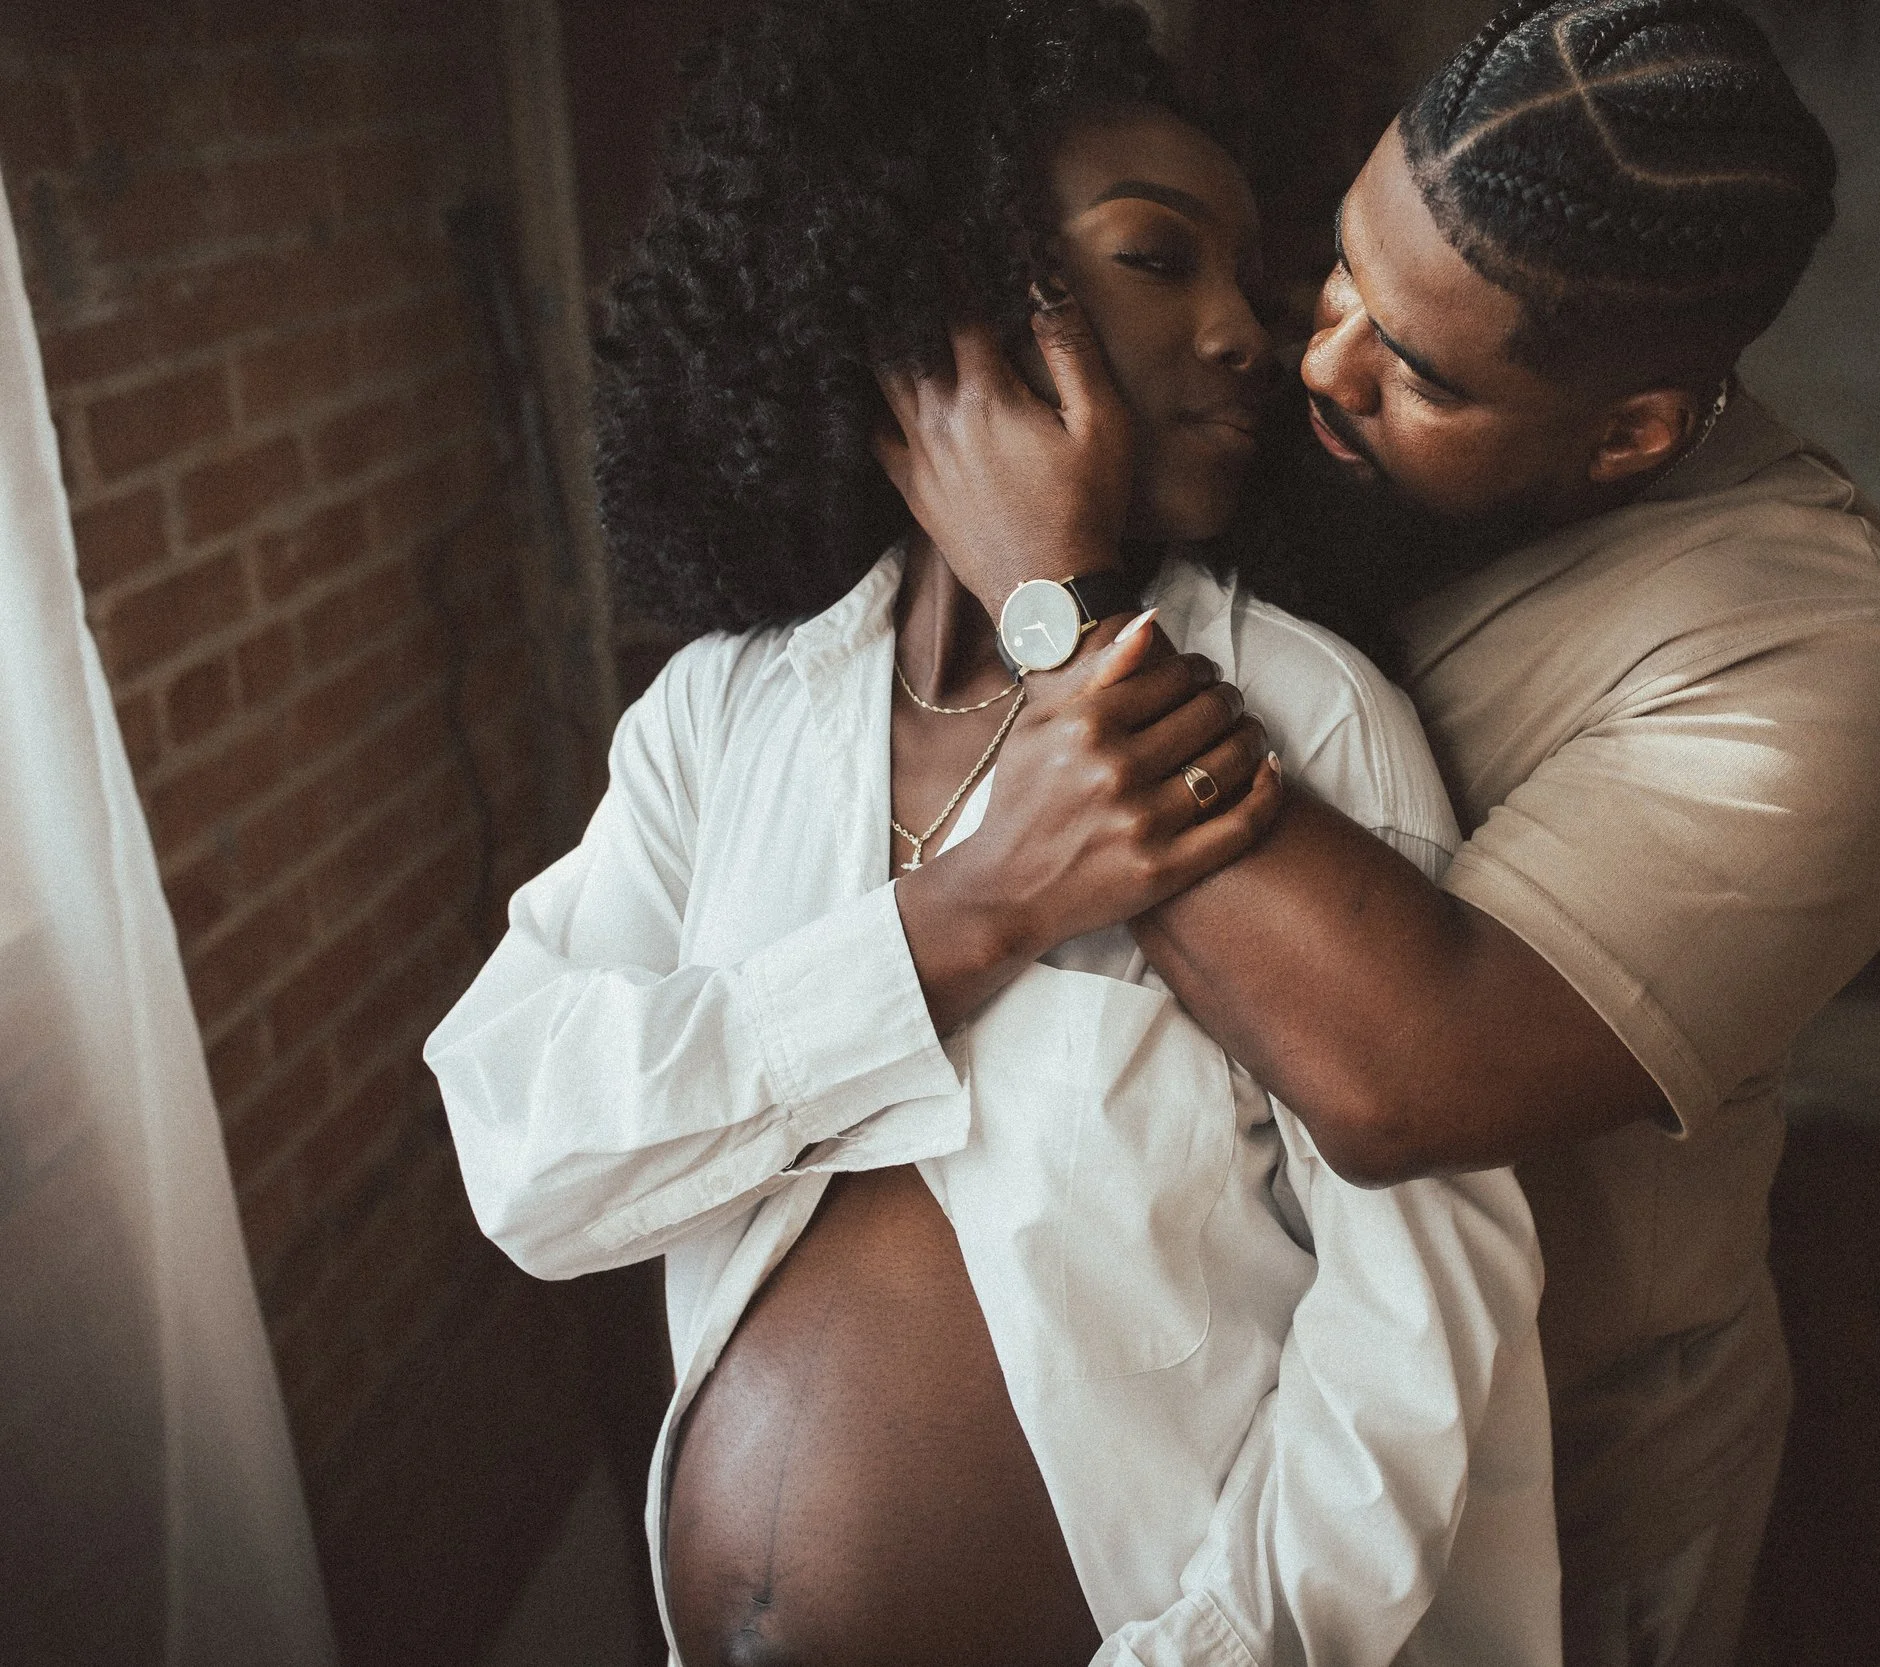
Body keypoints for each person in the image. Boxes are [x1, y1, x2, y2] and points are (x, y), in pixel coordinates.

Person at [423, 3, 1561, 1664]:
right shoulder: (725, 718)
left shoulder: (1298, 721)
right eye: (1158, 257)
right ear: (928, 277)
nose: (1249, 331)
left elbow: (1425, 1318)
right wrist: (959, 919)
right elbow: (530, 1161)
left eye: (1250, 273)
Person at [874, 3, 1880, 1664]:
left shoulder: (1821, 659)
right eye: (1342, 274)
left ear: (1632, 435)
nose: (1320, 359)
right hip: (1220, 1455)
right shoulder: (1347, 422)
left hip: (1562, 1496)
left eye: (1421, 368)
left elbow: (1404, 1069)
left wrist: (1060, 603)